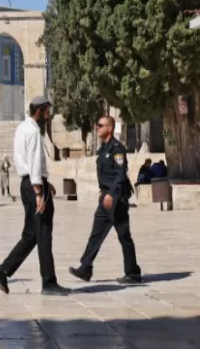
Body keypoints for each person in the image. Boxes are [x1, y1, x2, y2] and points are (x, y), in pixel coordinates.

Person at [0, 96, 70, 296]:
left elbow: (29, 162)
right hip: (34, 187)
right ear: (39, 112)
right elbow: (34, 161)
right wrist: (39, 191)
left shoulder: (21, 128)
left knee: (31, 235)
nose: (48, 116)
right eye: (47, 112)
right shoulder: (34, 132)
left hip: (27, 183)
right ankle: (49, 282)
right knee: (43, 234)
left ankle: (4, 270)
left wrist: (44, 182)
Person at [69, 115, 142, 285]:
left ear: (109, 128)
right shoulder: (103, 149)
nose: (97, 128)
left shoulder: (117, 149)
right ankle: (85, 268)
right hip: (105, 199)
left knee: (124, 236)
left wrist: (111, 193)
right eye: (97, 125)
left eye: (100, 125)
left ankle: (133, 273)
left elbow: (120, 173)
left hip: (116, 199)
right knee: (95, 235)